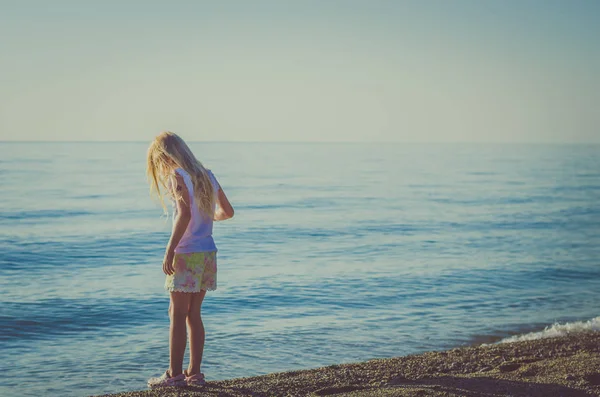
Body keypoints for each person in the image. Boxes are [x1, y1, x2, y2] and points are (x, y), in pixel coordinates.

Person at [145, 131, 234, 388]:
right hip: (207, 252)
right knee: (194, 314)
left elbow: (183, 214)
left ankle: (174, 374)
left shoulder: (177, 176)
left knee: (176, 313)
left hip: (186, 253)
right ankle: (194, 373)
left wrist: (170, 249)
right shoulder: (207, 175)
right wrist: (207, 219)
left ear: (164, 157)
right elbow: (227, 212)